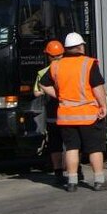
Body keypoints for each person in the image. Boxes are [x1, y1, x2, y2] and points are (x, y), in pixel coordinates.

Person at [39, 32, 107, 192]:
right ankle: (99, 181)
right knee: (94, 148)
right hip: (88, 115)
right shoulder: (89, 63)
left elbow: (43, 84)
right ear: (80, 47)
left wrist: (59, 95)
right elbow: (97, 87)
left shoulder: (56, 65)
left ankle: (71, 182)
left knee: (71, 148)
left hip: (66, 115)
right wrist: (103, 105)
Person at [34, 40, 68, 186]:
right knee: (73, 144)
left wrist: (47, 91)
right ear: (63, 53)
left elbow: (36, 92)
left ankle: (58, 174)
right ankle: (76, 172)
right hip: (70, 113)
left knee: (55, 145)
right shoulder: (69, 68)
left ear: (48, 55)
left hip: (53, 113)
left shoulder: (43, 73)